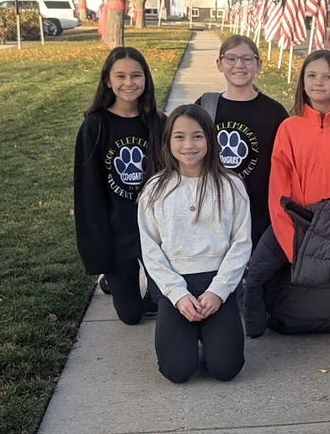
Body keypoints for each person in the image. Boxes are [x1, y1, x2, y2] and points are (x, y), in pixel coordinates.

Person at [244, 49, 330, 338]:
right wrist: (294, 247)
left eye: (327, 77)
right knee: (257, 271)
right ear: (302, 82)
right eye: (312, 75)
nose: (318, 82)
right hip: (295, 223)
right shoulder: (289, 128)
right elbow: (278, 190)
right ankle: (253, 328)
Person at [138, 105, 250, 383]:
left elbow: (241, 242)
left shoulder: (231, 185)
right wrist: (177, 294)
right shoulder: (154, 189)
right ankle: (188, 338)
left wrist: (219, 291)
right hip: (176, 285)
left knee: (226, 369)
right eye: (179, 137)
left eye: (197, 136)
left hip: (217, 283)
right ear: (168, 141)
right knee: (177, 371)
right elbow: (150, 249)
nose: (188, 145)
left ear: (210, 139)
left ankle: (211, 336)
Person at [74, 46, 165, 325]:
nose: (129, 83)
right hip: (117, 231)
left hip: (154, 230)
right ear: (107, 81)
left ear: (146, 78)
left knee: (164, 301)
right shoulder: (95, 126)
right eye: (120, 76)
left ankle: (151, 291)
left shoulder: (159, 123)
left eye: (136, 75)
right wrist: (98, 244)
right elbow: (88, 189)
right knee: (131, 315)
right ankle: (112, 281)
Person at [196, 34, 288, 248]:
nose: (239, 65)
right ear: (219, 64)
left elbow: (285, 166)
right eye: (231, 58)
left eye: (247, 59)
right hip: (214, 211)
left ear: (259, 64)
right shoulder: (205, 106)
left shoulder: (274, 113)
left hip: (258, 214)